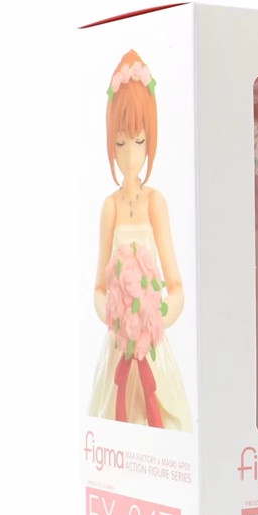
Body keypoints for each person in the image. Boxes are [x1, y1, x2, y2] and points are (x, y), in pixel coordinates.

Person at [89, 50, 192, 431]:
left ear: (150, 140)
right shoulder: (110, 208)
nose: (131, 156)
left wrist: (154, 319)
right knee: (117, 422)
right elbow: (99, 287)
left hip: (152, 345)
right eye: (120, 143)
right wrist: (117, 317)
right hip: (119, 344)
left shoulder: (155, 203)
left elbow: (176, 285)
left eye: (138, 140)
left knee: (162, 419)